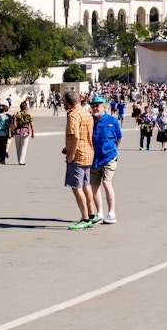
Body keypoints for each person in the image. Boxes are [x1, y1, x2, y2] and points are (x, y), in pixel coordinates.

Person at [61, 91, 96, 230]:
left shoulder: (73, 115)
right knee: (86, 185)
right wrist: (67, 147)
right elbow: (83, 134)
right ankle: (92, 214)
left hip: (78, 154)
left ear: (67, 103)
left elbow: (75, 136)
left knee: (76, 187)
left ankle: (85, 217)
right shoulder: (87, 113)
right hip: (88, 152)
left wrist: (71, 154)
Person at [90, 96, 121, 224]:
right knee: (95, 187)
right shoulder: (90, 121)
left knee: (107, 183)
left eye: (98, 105)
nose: (95, 108)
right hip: (94, 159)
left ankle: (111, 213)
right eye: (93, 106)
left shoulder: (112, 121)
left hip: (109, 157)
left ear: (104, 107)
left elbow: (119, 138)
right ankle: (99, 213)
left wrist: (112, 150)